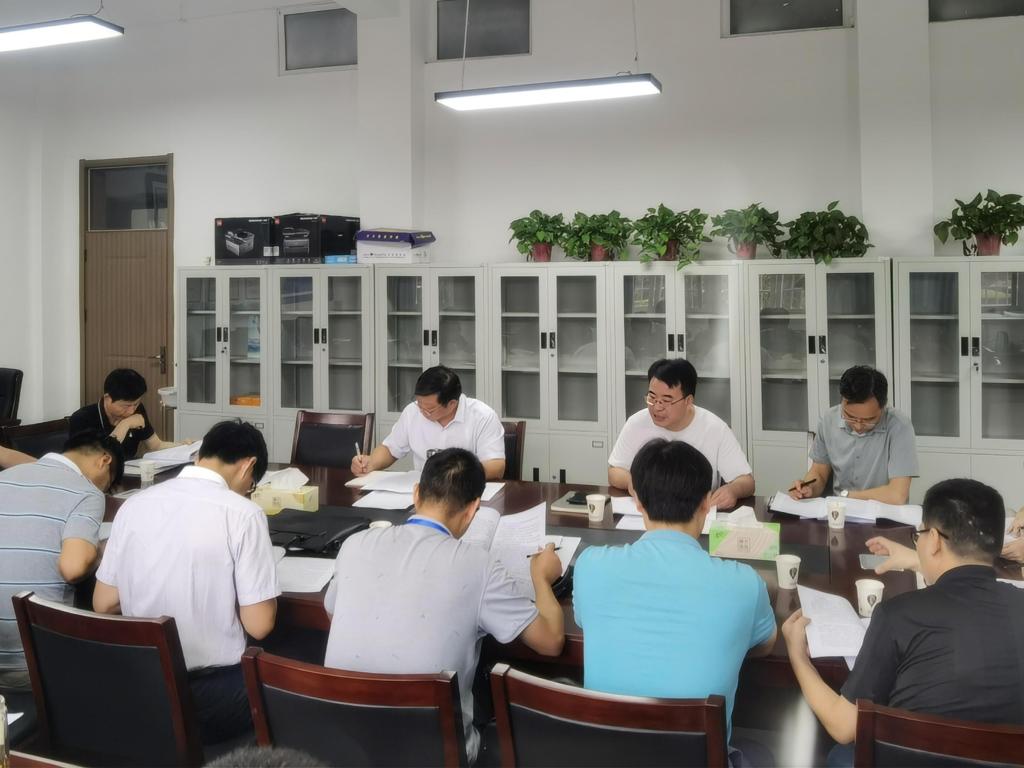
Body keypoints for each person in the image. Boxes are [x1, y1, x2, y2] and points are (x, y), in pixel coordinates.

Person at [324, 448, 564, 764]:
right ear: (473, 509)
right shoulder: (477, 564)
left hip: (343, 747)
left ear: (416, 493)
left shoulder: (355, 545)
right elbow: (550, 642)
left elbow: (332, 610)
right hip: (434, 755)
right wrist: (541, 578)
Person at [782, 478, 1024, 765]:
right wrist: (916, 560)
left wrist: (798, 656)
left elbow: (843, 726)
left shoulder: (897, 615)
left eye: (918, 535)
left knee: (840, 756)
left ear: (934, 540)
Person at [575, 438, 777, 747]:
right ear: (706, 503)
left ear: (637, 500)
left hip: (605, 754)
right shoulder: (745, 583)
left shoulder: (591, 566)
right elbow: (765, 644)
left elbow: (588, 622)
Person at [93, 419, 279, 745]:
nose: (247, 491)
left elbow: (103, 603)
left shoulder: (134, 505)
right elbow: (259, 625)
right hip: (210, 695)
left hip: (140, 687)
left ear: (200, 455)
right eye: (251, 485)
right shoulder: (243, 513)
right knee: (291, 685)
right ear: (248, 466)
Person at [0, 430, 124, 693]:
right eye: (108, 484)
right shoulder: (86, 492)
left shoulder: (6, 477)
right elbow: (73, 568)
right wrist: (100, 549)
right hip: (32, 662)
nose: (103, 490)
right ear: (105, 461)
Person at [607, 358, 754, 510]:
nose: (657, 407)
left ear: (688, 400)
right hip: (647, 513)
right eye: (652, 398)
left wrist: (733, 490)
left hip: (697, 515)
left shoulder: (715, 428)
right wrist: (631, 482)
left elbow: (747, 482)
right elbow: (614, 471)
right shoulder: (636, 423)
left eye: (666, 400)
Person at [789, 365, 918, 505]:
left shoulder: (899, 426)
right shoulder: (829, 420)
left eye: (869, 420)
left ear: (883, 406)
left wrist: (847, 496)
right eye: (850, 417)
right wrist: (809, 488)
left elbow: (897, 495)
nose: (858, 426)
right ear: (842, 401)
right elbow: (819, 473)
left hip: (883, 512)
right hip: (838, 510)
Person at [351, 366, 506, 480]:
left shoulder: (482, 416)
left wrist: (454, 474)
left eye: (430, 409)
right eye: (419, 404)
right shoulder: (412, 412)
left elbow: (496, 466)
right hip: (425, 492)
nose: (422, 412)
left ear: (452, 404)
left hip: (465, 490)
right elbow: (390, 449)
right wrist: (370, 463)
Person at [69, 368, 179, 459]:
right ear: (107, 398)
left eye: (136, 404)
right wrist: (126, 424)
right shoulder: (82, 418)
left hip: (128, 473)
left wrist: (182, 446)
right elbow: (100, 458)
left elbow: (156, 445)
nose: (131, 411)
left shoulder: (137, 409)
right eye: (126, 406)